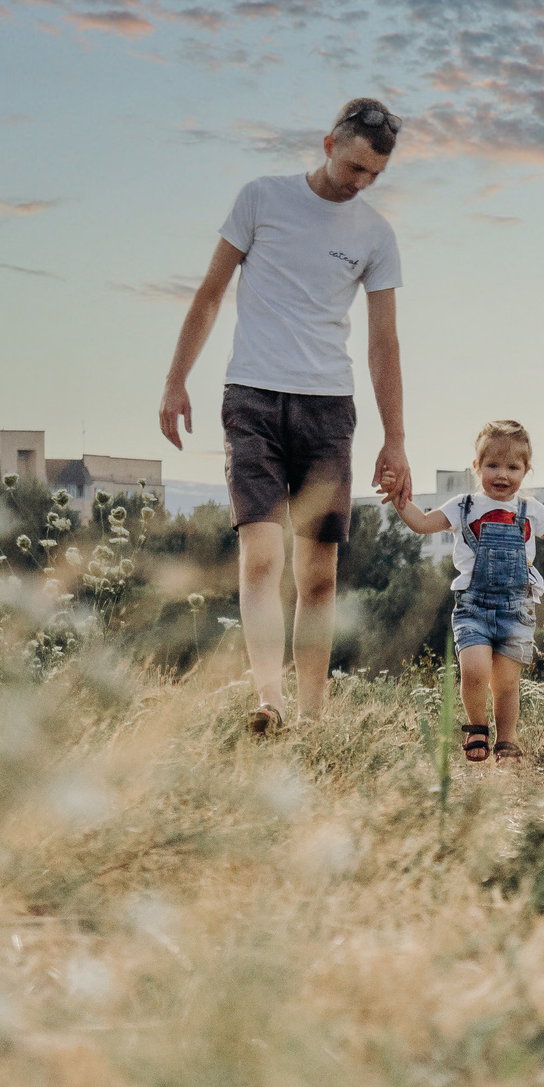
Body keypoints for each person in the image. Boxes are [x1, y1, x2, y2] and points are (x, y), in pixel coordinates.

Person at [160, 97, 412, 735]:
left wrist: (397, 439)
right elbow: (211, 293)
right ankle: (268, 702)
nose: (359, 182)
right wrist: (175, 380)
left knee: (319, 576)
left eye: (372, 176)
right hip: (252, 399)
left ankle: (312, 715)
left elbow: (384, 343)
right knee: (262, 558)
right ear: (328, 144)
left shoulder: (376, 235)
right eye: (354, 166)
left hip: (329, 410)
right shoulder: (260, 199)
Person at [386, 419, 544, 762]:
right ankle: (477, 727)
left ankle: (506, 741)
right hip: (473, 607)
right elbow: (422, 523)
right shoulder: (463, 506)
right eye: (492, 465)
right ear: (476, 467)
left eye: (513, 467)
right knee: (475, 670)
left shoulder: (530, 510)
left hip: (516, 610)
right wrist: (398, 498)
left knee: (507, 684)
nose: (502, 474)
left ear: (526, 470)